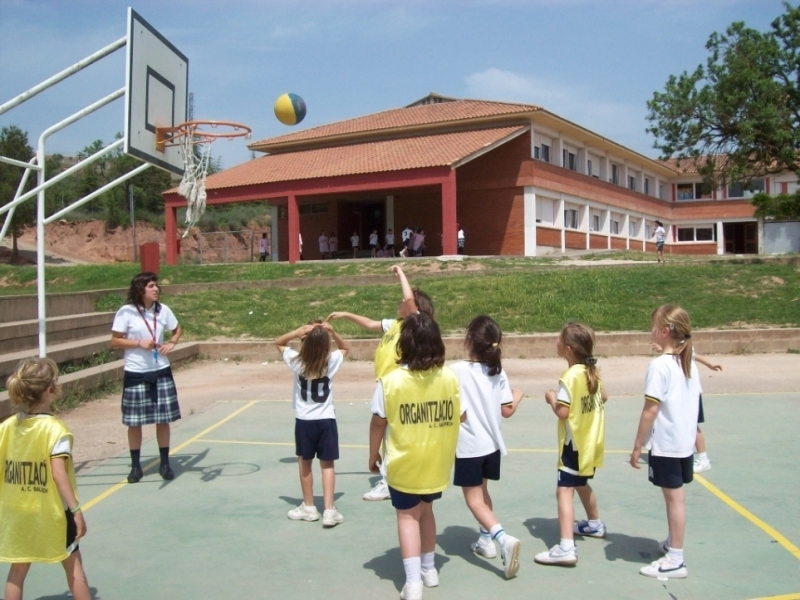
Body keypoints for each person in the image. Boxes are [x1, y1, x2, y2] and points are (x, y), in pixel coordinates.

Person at [368, 313, 461, 600]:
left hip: (405, 461)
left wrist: (373, 455)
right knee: (427, 512)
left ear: (404, 344)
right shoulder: (449, 377)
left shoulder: (390, 381)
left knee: (407, 517)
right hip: (437, 460)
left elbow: (378, 423)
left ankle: (413, 583)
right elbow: (463, 414)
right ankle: (429, 569)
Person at [327, 265, 435, 502]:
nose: (400, 302)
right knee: (389, 433)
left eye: (404, 302)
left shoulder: (413, 324)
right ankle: (392, 476)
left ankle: (389, 482)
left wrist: (400, 272)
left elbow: (408, 297)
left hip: (398, 385)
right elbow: (368, 324)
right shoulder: (395, 323)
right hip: (386, 383)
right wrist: (346, 314)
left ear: (413, 307)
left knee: (389, 431)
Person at [0, 358, 91, 600]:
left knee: (18, 569)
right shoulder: (55, 429)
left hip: (16, 509)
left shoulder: (7, 426)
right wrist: (77, 510)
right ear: (50, 390)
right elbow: (58, 473)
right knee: (74, 566)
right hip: (50, 510)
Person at [631, 305, 700, 579]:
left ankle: (676, 559)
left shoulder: (659, 366)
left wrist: (638, 444)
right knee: (676, 498)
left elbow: (650, 409)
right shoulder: (687, 362)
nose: (650, 332)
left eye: (653, 326)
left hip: (668, 444)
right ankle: (673, 544)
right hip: (684, 443)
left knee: (674, 500)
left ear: (663, 331)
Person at [452, 315, 524, 579]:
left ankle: (502, 538)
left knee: (473, 499)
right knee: (483, 493)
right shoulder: (497, 370)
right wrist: (517, 397)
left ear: (469, 339)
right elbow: (506, 410)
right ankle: (485, 541)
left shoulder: (456, 371)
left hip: (469, 445)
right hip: (492, 445)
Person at [535, 322, 607, 567]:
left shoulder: (570, 376)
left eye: (558, 340)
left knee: (563, 490)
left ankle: (566, 547)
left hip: (573, 444)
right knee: (580, 483)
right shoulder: (593, 371)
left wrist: (551, 399)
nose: (555, 342)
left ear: (567, 349)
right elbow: (604, 396)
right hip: (589, 443)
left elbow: (563, 412)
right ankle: (595, 524)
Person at [275, 320, 349, 528]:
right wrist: (333, 332)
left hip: (305, 421)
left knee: (305, 462)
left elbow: (278, 342)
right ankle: (329, 510)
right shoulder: (332, 360)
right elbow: (344, 347)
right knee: (327, 465)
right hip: (326, 419)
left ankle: (309, 506)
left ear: (303, 341)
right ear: (327, 343)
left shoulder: (296, 360)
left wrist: (296, 331)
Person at [111, 272, 183, 483]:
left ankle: (165, 463)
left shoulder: (163, 310)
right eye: (151, 286)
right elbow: (115, 341)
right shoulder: (126, 312)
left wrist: (172, 343)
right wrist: (138, 343)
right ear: (140, 289)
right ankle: (135, 467)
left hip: (161, 370)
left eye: (156, 285)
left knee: (163, 419)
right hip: (136, 371)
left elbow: (177, 329)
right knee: (135, 422)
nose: (156, 289)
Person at [652, 343, 722, 473]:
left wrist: (663, 350)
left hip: (689, 392)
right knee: (684, 424)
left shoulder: (681, 341)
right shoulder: (680, 340)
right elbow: (694, 356)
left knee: (693, 425)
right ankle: (683, 454)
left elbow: (683, 355)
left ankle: (703, 459)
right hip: (683, 391)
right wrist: (710, 364)